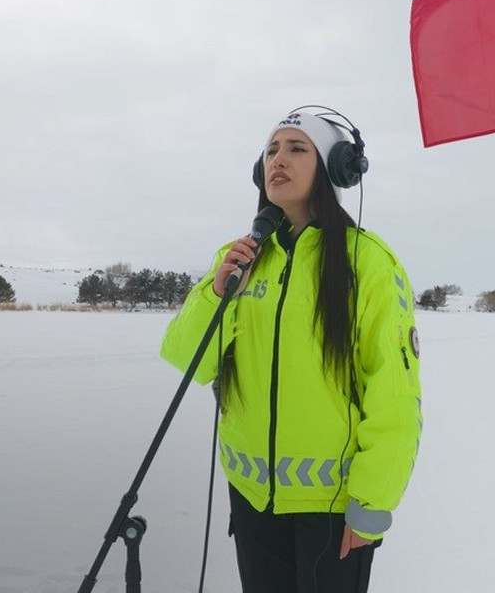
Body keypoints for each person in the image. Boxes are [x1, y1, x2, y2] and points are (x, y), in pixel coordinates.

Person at [159, 109, 423, 593]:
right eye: (271, 151)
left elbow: (395, 392)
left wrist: (373, 502)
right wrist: (218, 295)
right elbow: (186, 360)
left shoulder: (369, 263)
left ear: (334, 167)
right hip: (252, 499)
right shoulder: (241, 257)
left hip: (333, 508)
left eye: (297, 148)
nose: (278, 160)